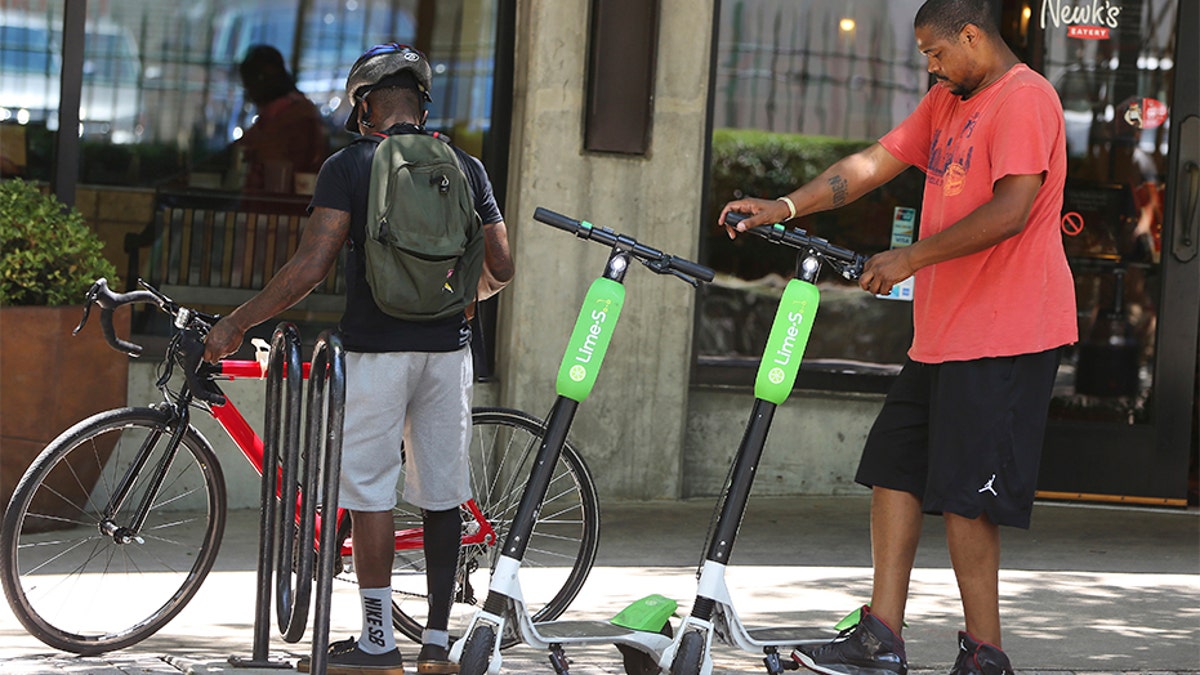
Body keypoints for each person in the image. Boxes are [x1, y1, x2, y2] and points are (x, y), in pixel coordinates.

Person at [720, 1, 1075, 674]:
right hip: (943, 335)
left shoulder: (1025, 98)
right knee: (894, 468)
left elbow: (1011, 210)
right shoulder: (948, 102)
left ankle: (985, 653)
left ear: (971, 35)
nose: (931, 66)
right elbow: (872, 163)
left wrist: (909, 258)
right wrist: (784, 205)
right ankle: (881, 634)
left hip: (1006, 332)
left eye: (936, 53)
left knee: (969, 499)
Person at [203, 42, 514, 675]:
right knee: (442, 497)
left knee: (371, 493)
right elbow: (501, 268)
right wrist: (459, 297)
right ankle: (435, 644)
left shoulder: (349, 166)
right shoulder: (467, 168)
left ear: (367, 106)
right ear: (421, 104)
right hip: (448, 352)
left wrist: (238, 321)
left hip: (375, 352)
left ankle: (377, 641)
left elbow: (311, 266)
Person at [235, 44, 329, 193]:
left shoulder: (295, 115)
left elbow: (269, 155)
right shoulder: (284, 111)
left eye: (250, 83)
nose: (249, 91)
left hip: (283, 204)